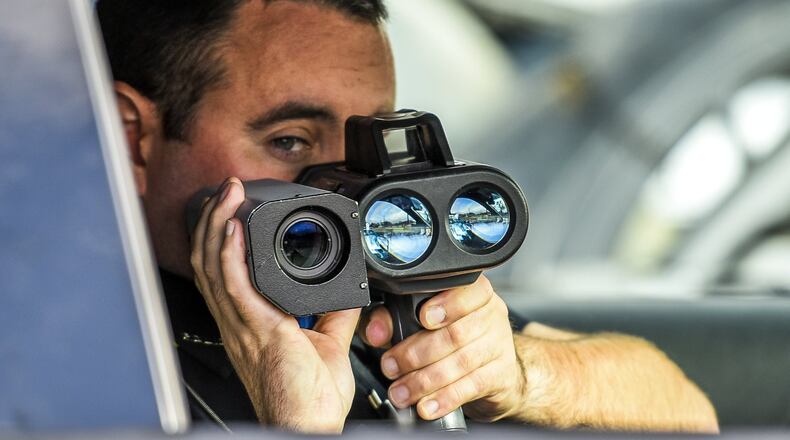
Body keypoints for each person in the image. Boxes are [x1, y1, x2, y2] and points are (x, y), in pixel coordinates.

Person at [96, 0, 719, 434]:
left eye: (368, 140)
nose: (353, 189)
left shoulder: (381, 279)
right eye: (290, 141)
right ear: (133, 140)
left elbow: (690, 412)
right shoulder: (59, 367)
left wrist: (519, 375)